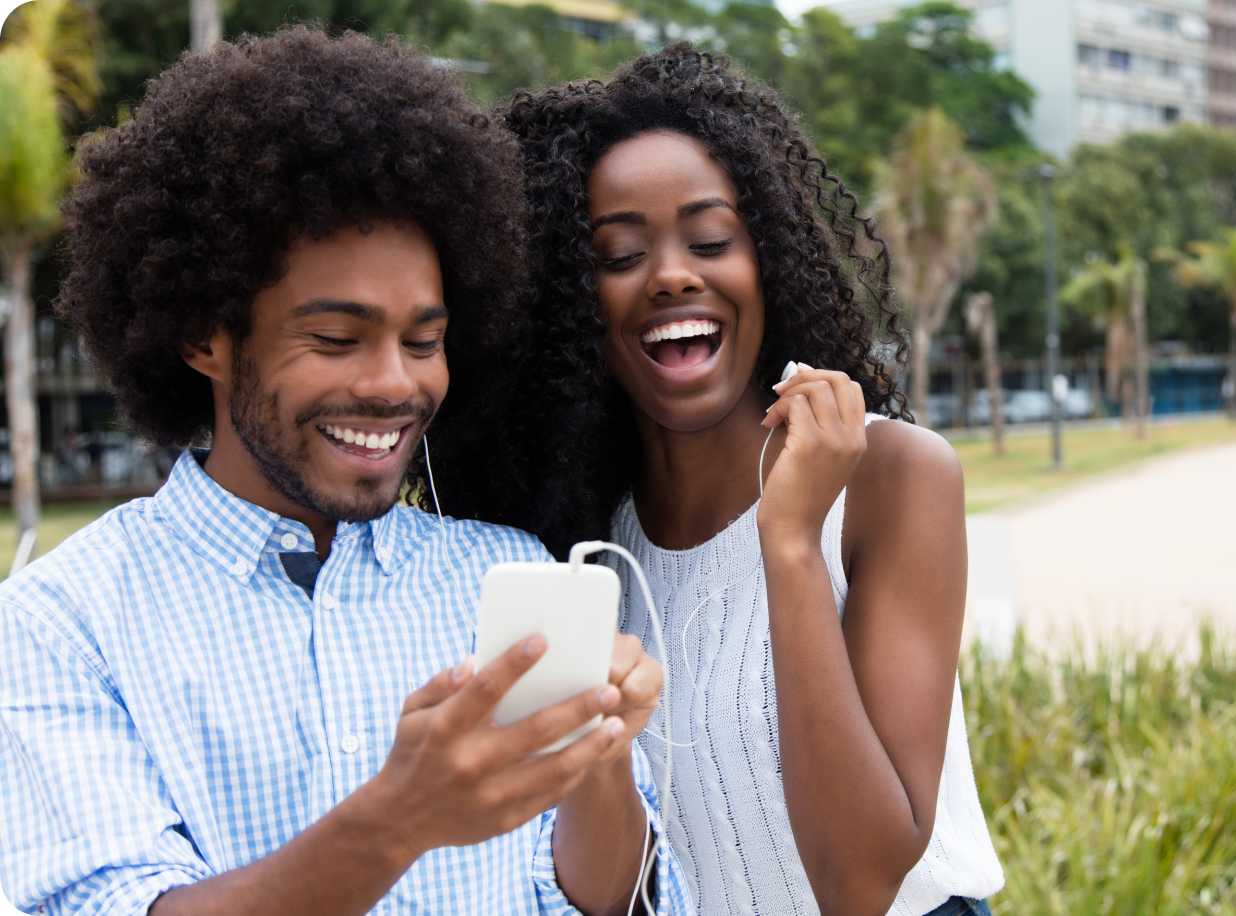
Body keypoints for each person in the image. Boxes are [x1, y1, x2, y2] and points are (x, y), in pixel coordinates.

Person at [0, 28, 690, 916]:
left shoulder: (498, 573)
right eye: (335, 338)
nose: (393, 385)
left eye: (424, 341)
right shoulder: (60, 623)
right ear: (202, 335)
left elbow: (613, 901)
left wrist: (595, 761)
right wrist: (398, 818)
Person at [424, 44, 1005, 916]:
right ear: (568, 303)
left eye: (711, 239)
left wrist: (792, 539)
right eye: (618, 255)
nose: (672, 275)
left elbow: (860, 882)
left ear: (765, 258)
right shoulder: (583, 549)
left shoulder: (889, 479)